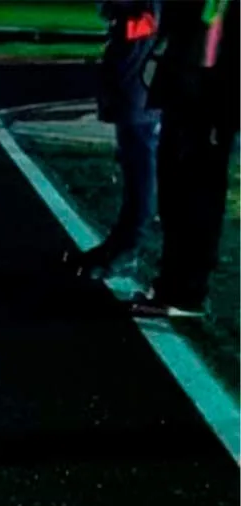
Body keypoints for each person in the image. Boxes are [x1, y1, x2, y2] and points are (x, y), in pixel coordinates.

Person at [132, 0, 236, 319]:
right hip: (191, 88)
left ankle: (186, 291)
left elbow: (209, 33)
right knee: (178, 191)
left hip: (207, 96)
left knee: (195, 194)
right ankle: (174, 286)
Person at [68, 1, 165, 281]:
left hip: (143, 64)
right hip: (135, 58)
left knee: (140, 156)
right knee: (135, 154)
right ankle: (124, 240)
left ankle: (130, 244)